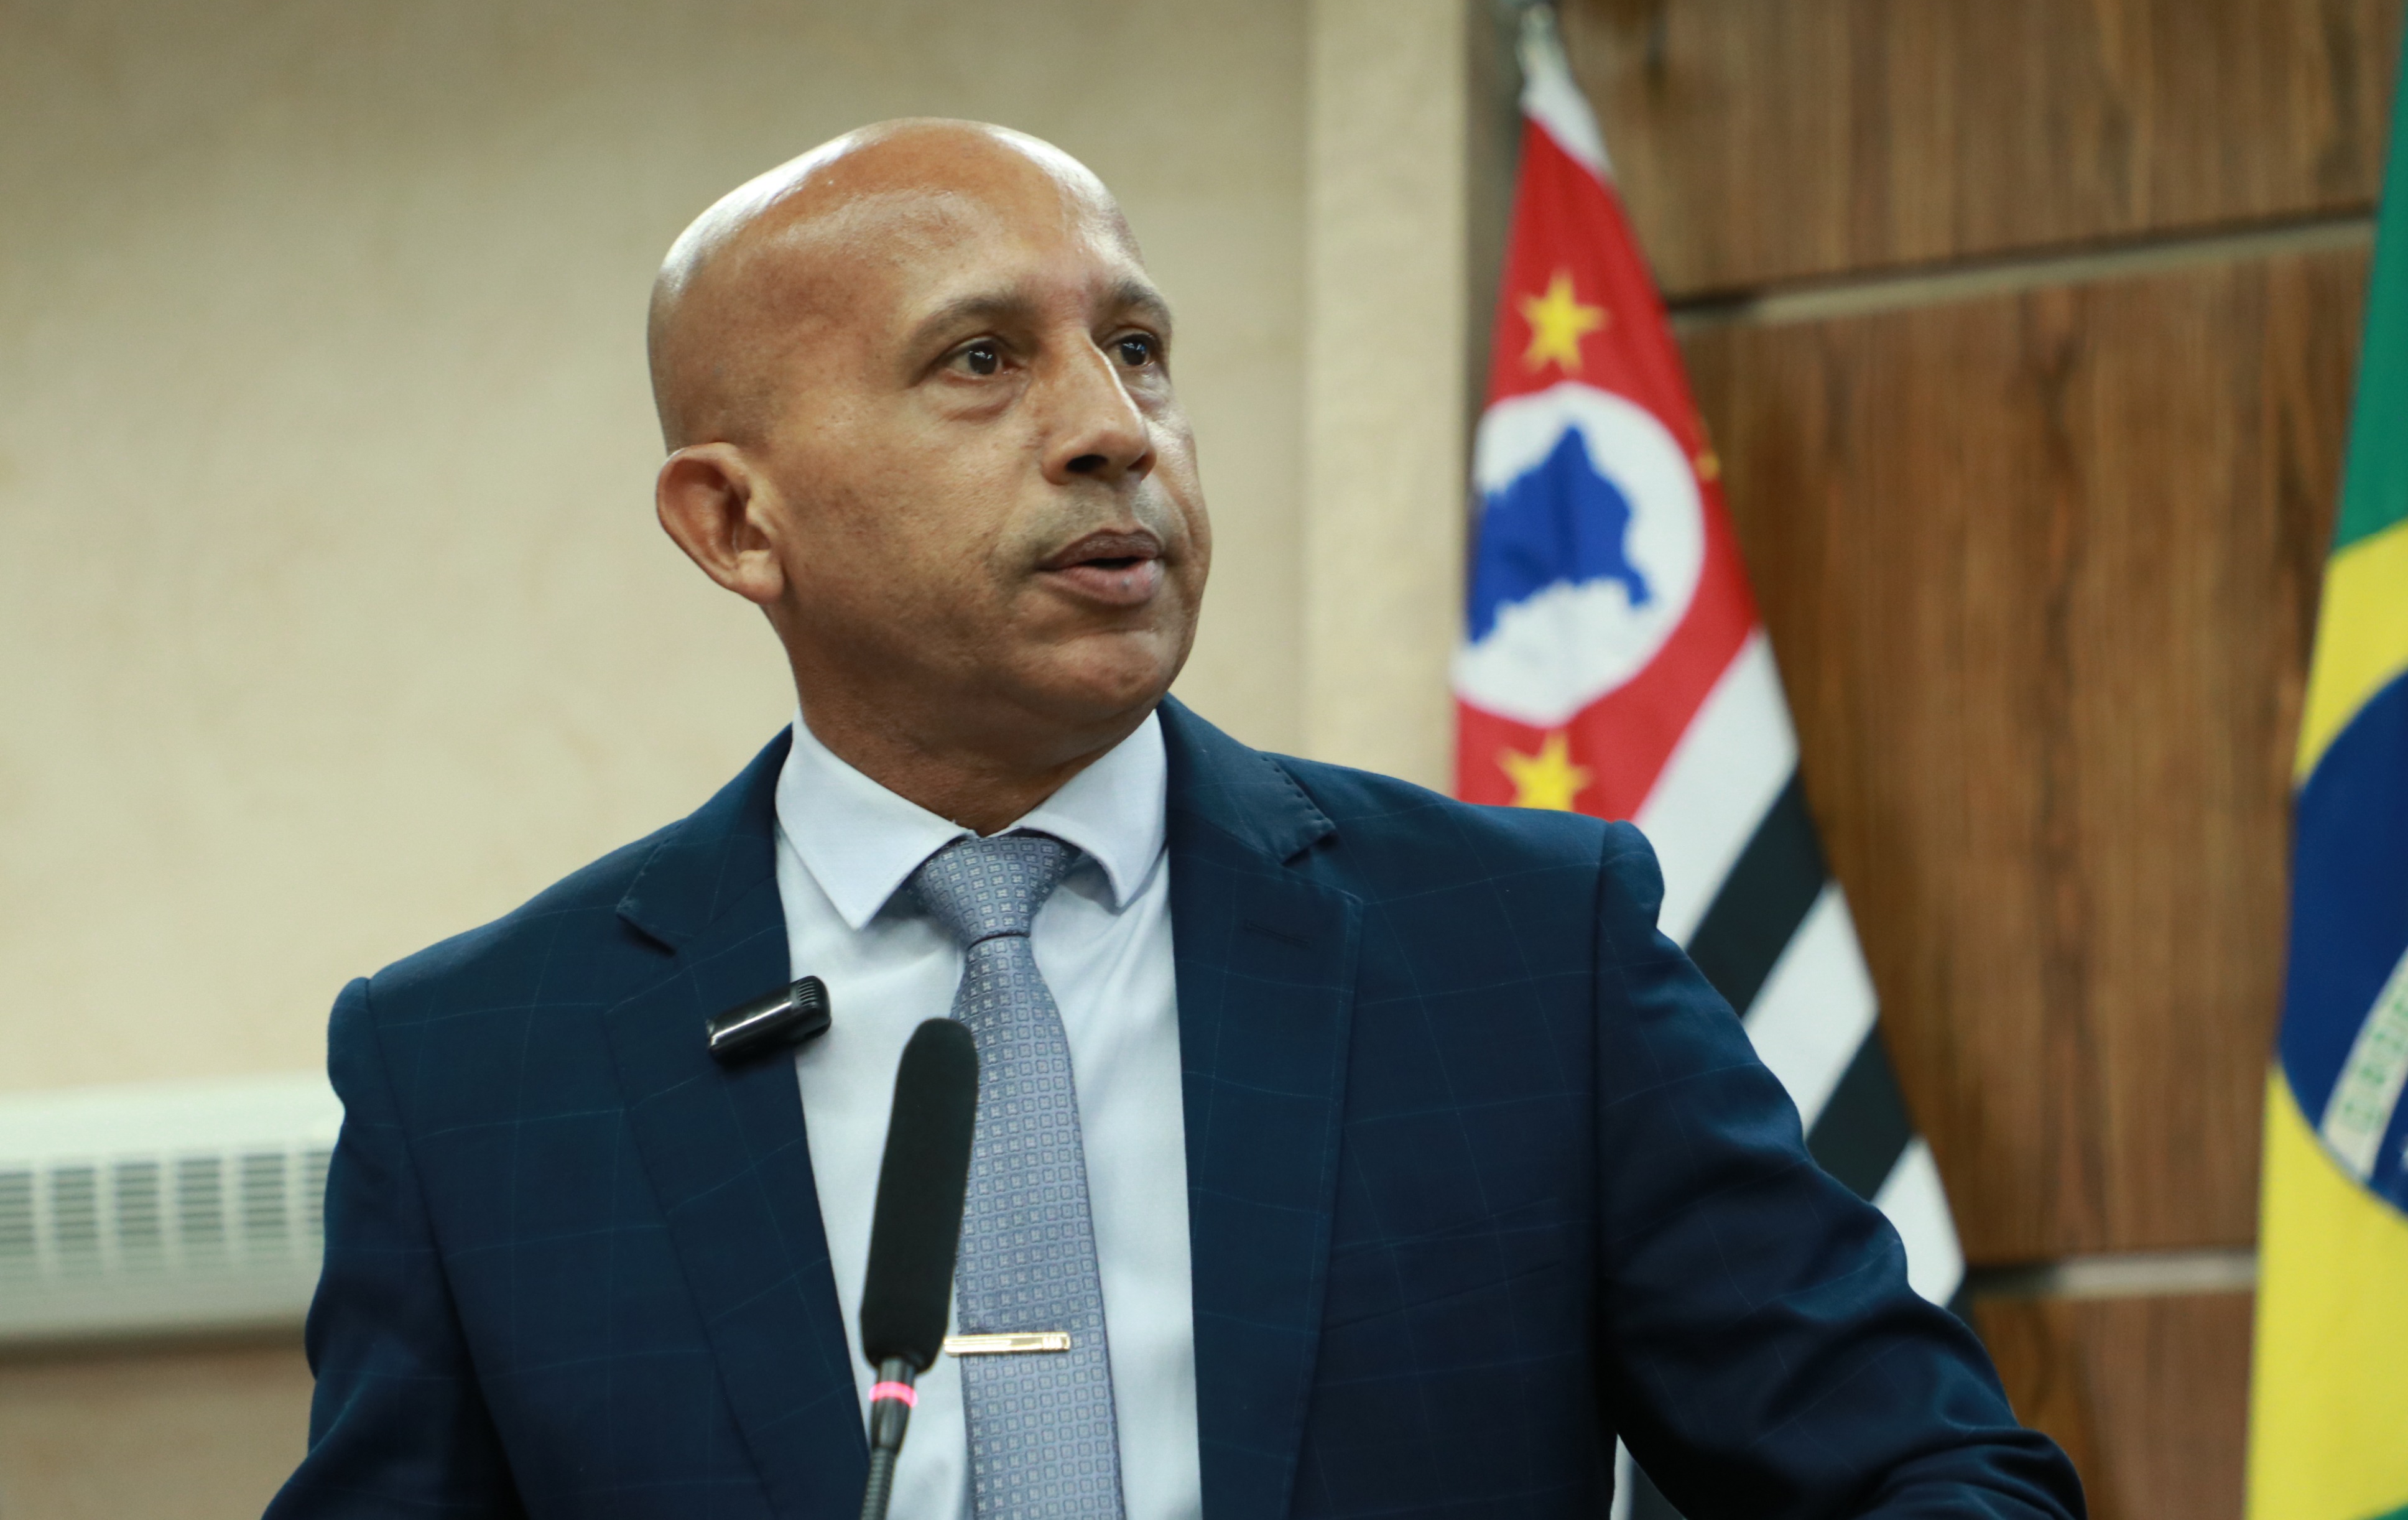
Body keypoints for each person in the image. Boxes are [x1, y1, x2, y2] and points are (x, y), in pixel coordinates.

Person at [266, 119, 2083, 1520]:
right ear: (737, 523)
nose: (1114, 429)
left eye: (1135, 348)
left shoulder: (1524, 950)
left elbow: (1933, 1478)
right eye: (982, 361)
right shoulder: (479, 1072)